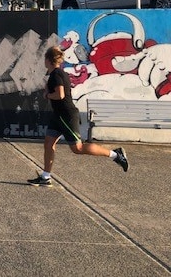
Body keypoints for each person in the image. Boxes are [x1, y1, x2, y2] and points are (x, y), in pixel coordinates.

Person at [27, 46, 129, 187]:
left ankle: (116, 155)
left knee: (78, 148)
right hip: (58, 116)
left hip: (66, 116)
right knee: (49, 143)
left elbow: (60, 95)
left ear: (48, 60)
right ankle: (45, 177)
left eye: (45, 59)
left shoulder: (57, 75)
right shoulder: (56, 74)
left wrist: (47, 95)